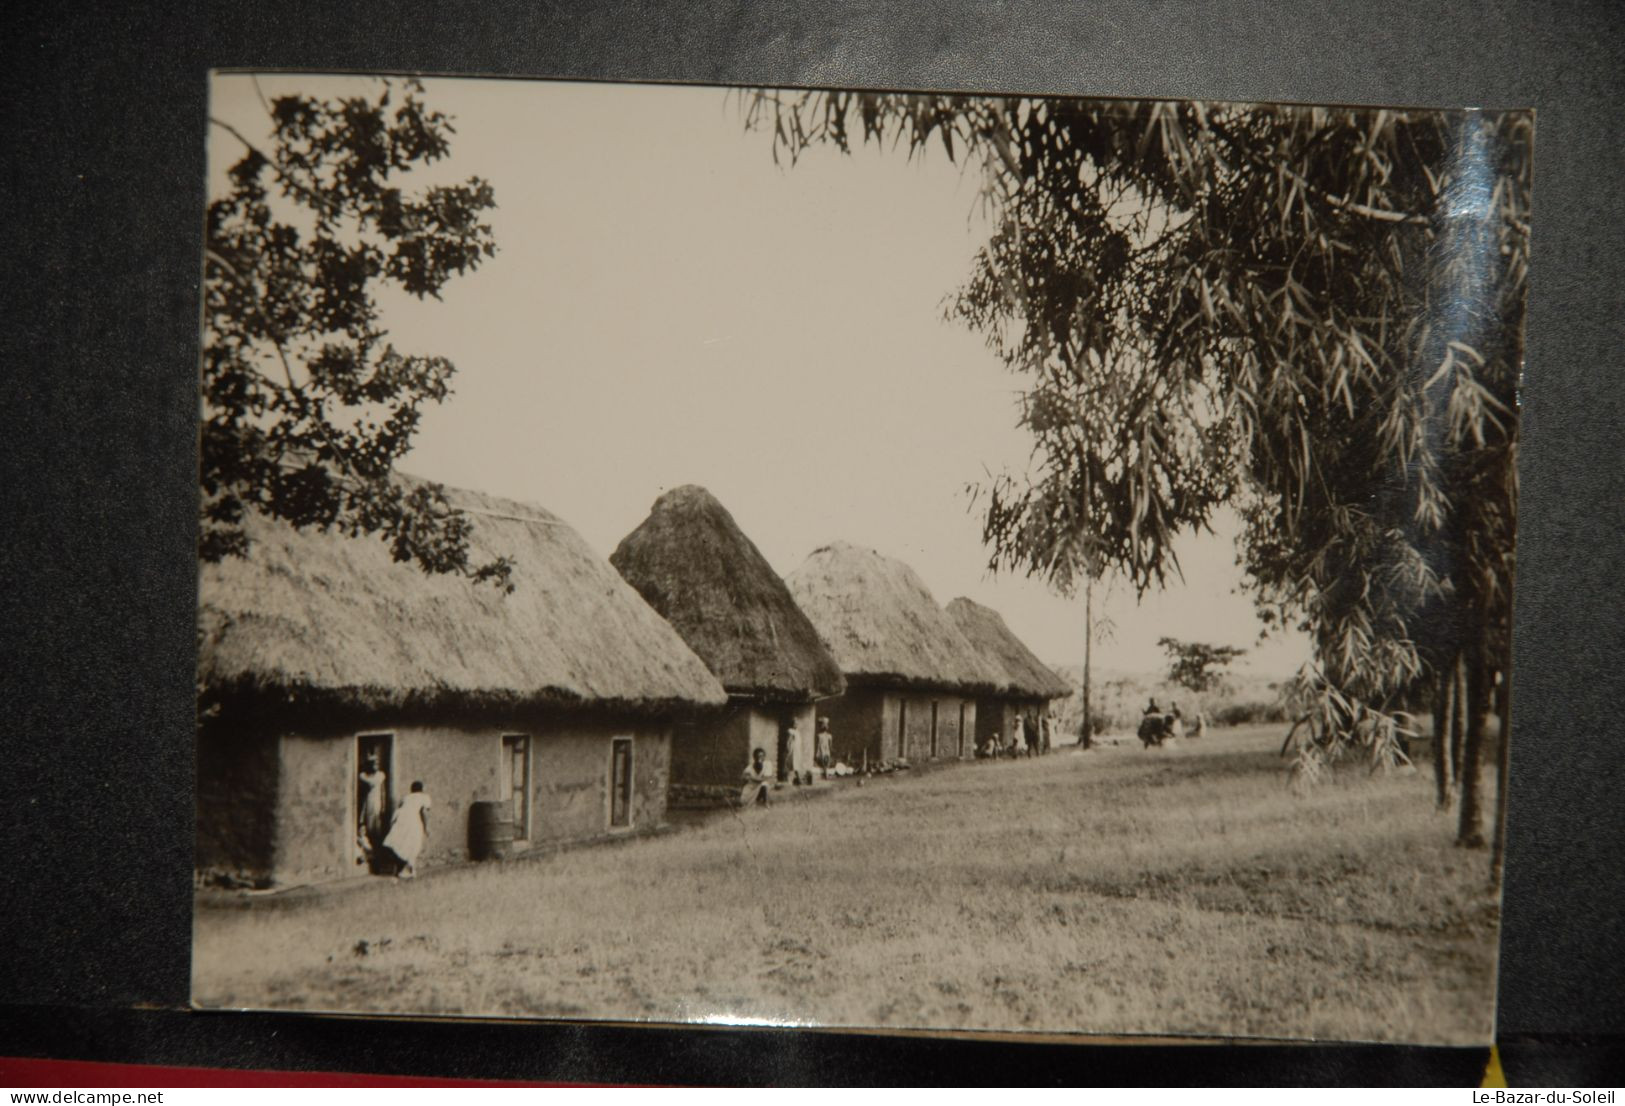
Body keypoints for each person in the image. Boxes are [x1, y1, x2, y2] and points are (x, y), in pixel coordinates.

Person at [382, 780, 431, 880]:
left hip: (402, 820)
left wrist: (393, 822)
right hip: (412, 821)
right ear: (421, 789)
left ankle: (407, 869)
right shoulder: (424, 797)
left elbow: (399, 810)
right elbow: (424, 813)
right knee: (413, 845)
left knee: (401, 843)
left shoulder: (406, 797)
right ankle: (407, 869)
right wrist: (427, 827)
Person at [356, 753, 389, 872]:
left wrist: (384, 806)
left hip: (377, 804)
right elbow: (366, 787)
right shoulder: (363, 776)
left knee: (377, 830)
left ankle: (377, 860)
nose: (376, 765)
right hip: (367, 804)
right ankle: (368, 855)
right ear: (369, 765)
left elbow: (383, 791)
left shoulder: (380, 775)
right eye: (373, 763)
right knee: (366, 829)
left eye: (377, 763)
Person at [781, 719, 801, 785]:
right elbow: (788, 741)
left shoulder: (797, 731)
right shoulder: (790, 731)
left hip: (797, 749)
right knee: (790, 762)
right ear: (792, 724)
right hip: (792, 748)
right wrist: (788, 748)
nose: (796, 725)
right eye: (795, 723)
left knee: (796, 763)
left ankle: (797, 778)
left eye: (797, 724)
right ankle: (787, 778)